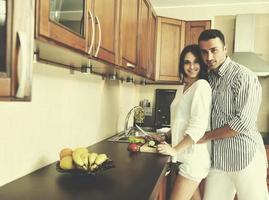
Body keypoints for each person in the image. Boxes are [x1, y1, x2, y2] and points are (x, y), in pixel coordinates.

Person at [197, 29, 269, 200]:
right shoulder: (209, 78)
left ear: (225, 49)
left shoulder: (243, 76)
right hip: (219, 161)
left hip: (245, 158)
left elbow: (243, 123)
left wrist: (206, 136)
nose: (209, 57)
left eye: (214, 50)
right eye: (204, 52)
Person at [156, 44, 212, 200]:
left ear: (202, 64)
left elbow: (198, 126)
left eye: (196, 62)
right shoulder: (183, 88)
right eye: (187, 62)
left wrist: (174, 150)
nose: (192, 67)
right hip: (184, 156)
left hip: (193, 158)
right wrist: (167, 135)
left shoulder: (201, 86)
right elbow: (180, 121)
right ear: (182, 65)